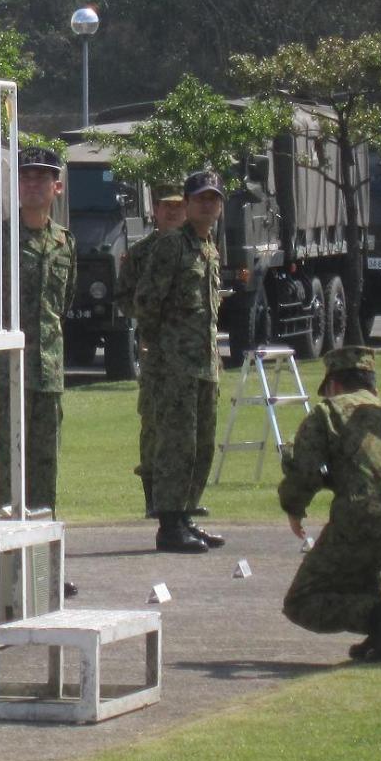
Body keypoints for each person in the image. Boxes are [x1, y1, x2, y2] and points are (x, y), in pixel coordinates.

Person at [278, 345, 381, 662]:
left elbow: (305, 471)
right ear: (373, 386)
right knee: (360, 567)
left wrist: (294, 507)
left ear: (333, 385)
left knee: (302, 601)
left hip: (362, 520)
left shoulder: (328, 412)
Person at [133, 169, 227, 553]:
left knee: (202, 444)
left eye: (213, 198)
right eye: (200, 198)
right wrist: (160, 351)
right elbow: (146, 303)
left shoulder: (209, 249)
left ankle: (186, 514)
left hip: (204, 363)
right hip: (174, 366)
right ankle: (169, 525)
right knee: (176, 445)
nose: (207, 204)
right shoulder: (172, 246)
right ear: (186, 204)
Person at [0, 147, 76, 516]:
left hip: (49, 369)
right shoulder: (0, 240)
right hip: (7, 372)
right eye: (25, 177)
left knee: (46, 464)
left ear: (56, 187)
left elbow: (64, 303)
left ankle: (43, 564)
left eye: (41, 178)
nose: (32, 185)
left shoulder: (64, 242)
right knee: (4, 467)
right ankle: (5, 558)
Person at [121, 185, 186, 519]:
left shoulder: (200, 248)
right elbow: (123, 297)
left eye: (178, 206)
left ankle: (182, 503)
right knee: (153, 424)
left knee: (188, 427)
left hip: (189, 357)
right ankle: (152, 496)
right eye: (166, 207)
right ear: (155, 211)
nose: (172, 212)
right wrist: (148, 313)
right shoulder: (141, 254)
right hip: (156, 353)